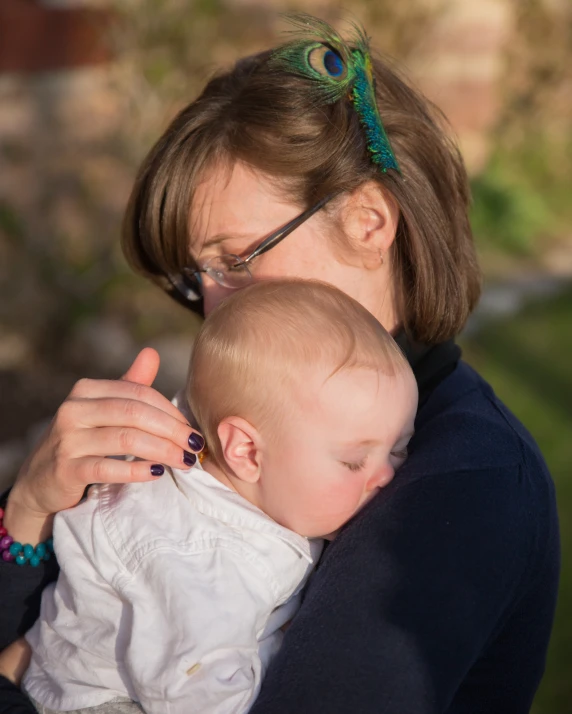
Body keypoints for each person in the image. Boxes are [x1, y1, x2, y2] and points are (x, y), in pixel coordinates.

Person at [0, 14, 559, 714]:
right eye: (193, 278)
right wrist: (28, 514)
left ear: (369, 222)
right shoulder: (247, 408)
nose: (212, 304)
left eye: (235, 260)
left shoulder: (458, 486)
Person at [19, 280, 417, 714]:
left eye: (399, 449)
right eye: (354, 462)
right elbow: (198, 696)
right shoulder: (197, 560)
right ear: (246, 451)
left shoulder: (245, 487)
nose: (386, 476)